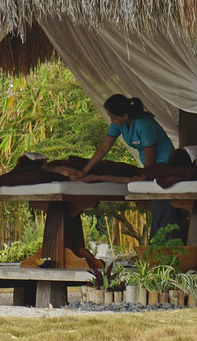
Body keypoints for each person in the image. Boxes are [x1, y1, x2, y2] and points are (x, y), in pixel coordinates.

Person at [69, 94, 183, 239]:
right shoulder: (119, 123)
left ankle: (165, 243)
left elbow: (150, 158)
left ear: (125, 115)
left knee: (163, 208)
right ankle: (159, 244)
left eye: (114, 118)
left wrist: (143, 177)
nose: (112, 121)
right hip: (149, 168)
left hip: (163, 167)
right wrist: (84, 171)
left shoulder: (144, 124)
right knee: (158, 209)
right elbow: (103, 148)